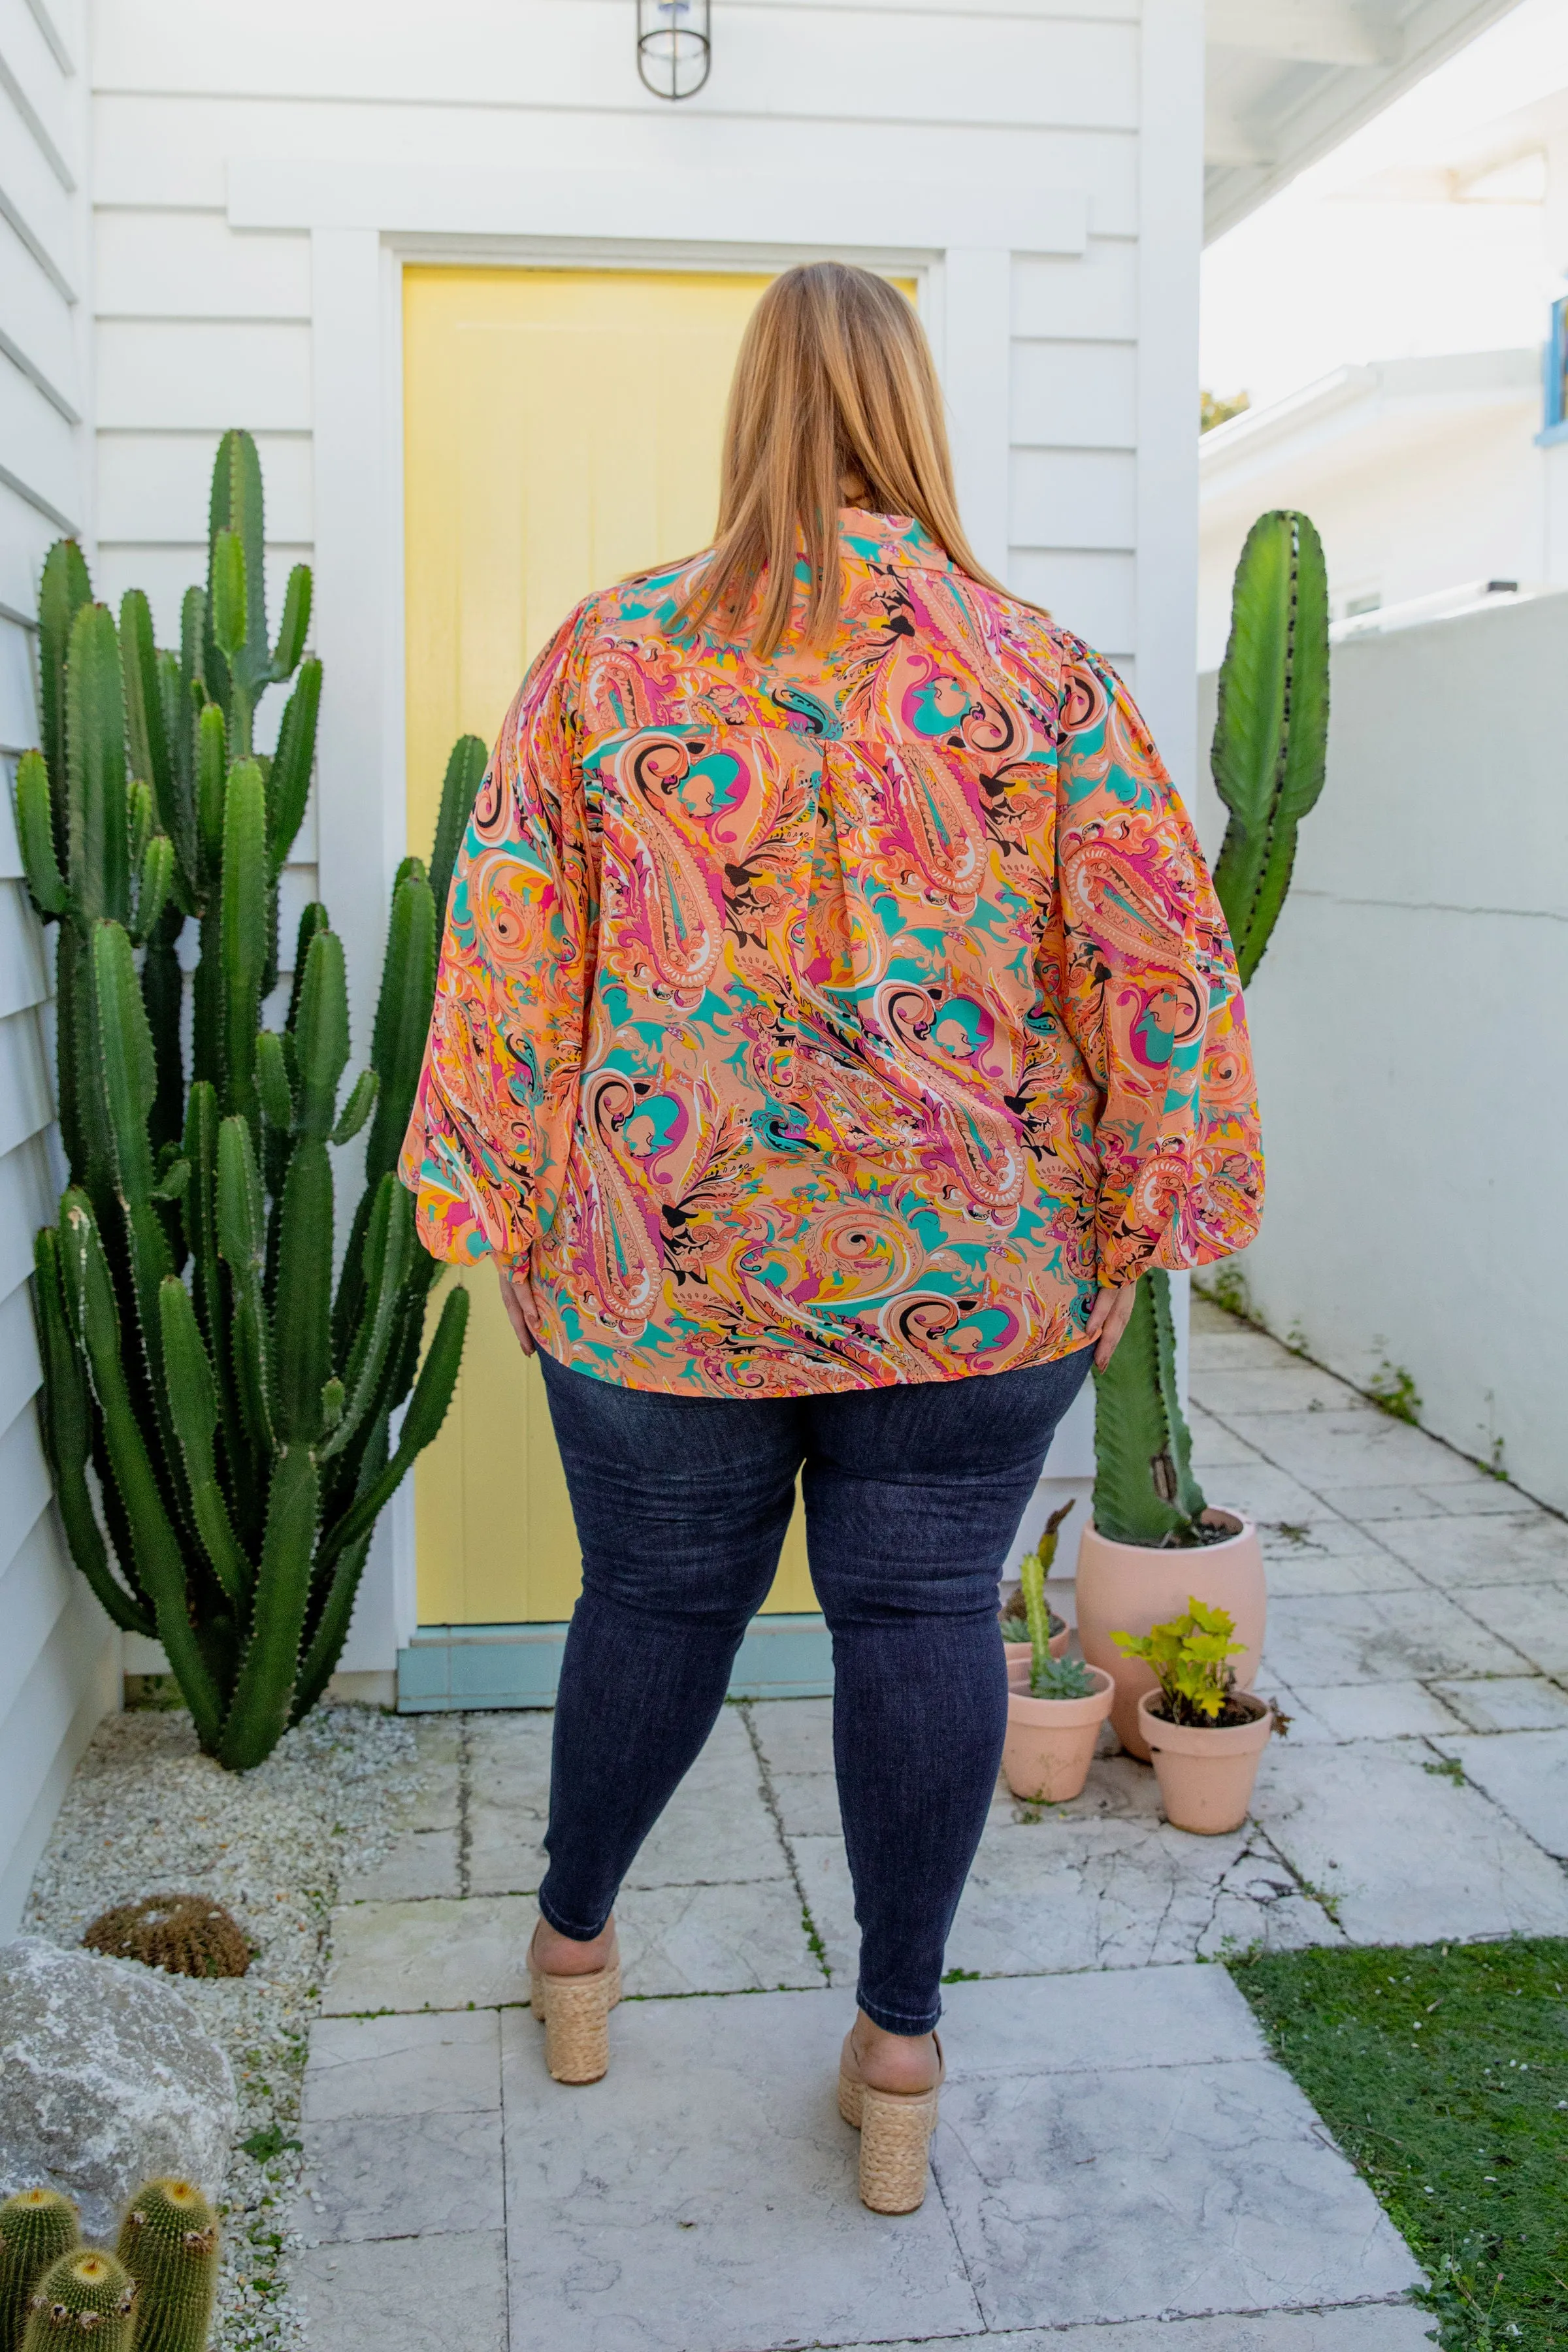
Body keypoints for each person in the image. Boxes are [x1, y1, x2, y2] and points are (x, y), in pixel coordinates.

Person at [399, 260, 1263, 2213]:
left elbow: (508, 947)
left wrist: (504, 1213)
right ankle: (897, 2046)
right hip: (976, 1274)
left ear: (749, 413)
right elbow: (1162, 960)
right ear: (914, 413)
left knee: (650, 1610)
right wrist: (1151, 1219)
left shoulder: (605, 658)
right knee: (919, 1623)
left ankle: (573, 1956)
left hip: (660, 1272)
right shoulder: (1039, 670)